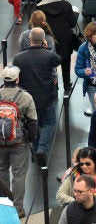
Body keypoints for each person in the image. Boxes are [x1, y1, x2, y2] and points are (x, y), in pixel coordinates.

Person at [12, 27, 62, 167]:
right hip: (47, 97)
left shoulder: (18, 58)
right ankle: (42, 149)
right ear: (43, 40)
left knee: (33, 125)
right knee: (48, 123)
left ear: (29, 39)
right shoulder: (49, 55)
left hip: (28, 99)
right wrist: (48, 49)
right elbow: (58, 60)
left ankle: (35, 151)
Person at [0, 66, 37, 218]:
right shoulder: (25, 97)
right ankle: (17, 209)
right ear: (17, 79)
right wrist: (31, 140)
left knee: (2, 172)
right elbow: (33, 122)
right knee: (19, 176)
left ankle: (3, 207)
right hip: (18, 143)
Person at [36, 0, 77, 93]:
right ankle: (67, 85)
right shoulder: (66, 5)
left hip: (47, 39)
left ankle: (53, 85)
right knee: (66, 62)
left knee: (49, 64)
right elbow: (72, 23)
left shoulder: (39, 5)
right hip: (64, 40)